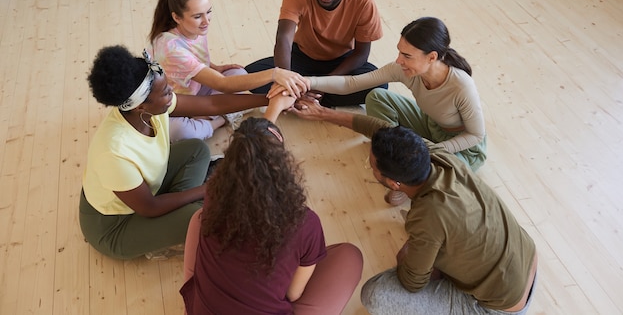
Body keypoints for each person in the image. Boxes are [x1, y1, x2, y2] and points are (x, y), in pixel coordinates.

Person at [292, 100, 538, 314]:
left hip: (498, 307)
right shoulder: (438, 157)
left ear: (393, 183)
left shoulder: (429, 216)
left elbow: (412, 282)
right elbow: (382, 130)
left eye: (372, 166)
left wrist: (407, 253)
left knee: (376, 294)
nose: (371, 165)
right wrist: (324, 113)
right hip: (525, 257)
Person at [79, 45, 286, 260]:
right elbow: (149, 207)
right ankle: (182, 217)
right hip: (115, 225)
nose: (172, 94)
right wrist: (209, 188)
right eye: (166, 92)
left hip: (147, 191)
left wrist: (268, 99)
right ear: (141, 107)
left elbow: (212, 104)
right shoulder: (115, 154)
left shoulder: (146, 108)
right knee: (200, 218)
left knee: (196, 150)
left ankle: (182, 213)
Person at [180, 114, 364, 315]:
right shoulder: (305, 223)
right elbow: (293, 294)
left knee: (198, 218)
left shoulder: (214, 198)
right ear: (283, 165)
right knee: (350, 255)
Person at [304, 16, 487, 205]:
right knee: (376, 97)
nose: (399, 60)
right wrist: (308, 81)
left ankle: (406, 177)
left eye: (407, 56)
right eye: (400, 52)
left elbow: (475, 135)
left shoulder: (461, 85)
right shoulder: (404, 69)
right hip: (431, 123)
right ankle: (401, 157)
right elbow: (352, 83)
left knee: (440, 183)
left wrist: (429, 151)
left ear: (432, 57)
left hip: (462, 146)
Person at [149, 0, 310, 142]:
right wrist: (275, 74)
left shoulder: (194, 29)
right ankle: (218, 121)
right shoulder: (170, 47)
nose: (206, 21)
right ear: (176, 17)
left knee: (239, 72)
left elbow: (191, 59)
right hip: (175, 104)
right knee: (184, 133)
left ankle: (209, 116)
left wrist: (213, 67)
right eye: (197, 16)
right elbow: (222, 84)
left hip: (195, 89)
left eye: (208, 12)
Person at [245, 0, 387, 107]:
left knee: (379, 86)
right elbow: (283, 38)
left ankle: (299, 97)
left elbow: (361, 54)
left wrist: (324, 84)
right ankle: (301, 95)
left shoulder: (363, 2)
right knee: (247, 76)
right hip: (302, 57)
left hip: (341, 63)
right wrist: (287, 82)